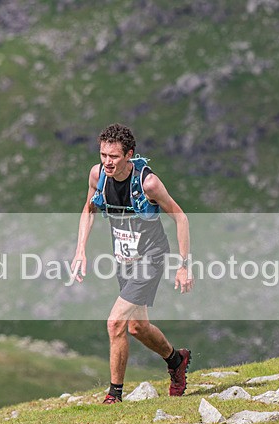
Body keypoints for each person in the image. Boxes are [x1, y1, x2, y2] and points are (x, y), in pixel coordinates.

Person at [72, 123, 194, 404]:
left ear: (129, 154)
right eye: (103, 155)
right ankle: (177, 360)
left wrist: (184, 265)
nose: (107, 162)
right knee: (137, 327)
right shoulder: (98, 175)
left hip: (151, 258)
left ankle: (114, 395)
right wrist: (80, 251)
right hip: (124, 260)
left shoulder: (147, 183)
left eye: (114, 156)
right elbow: (89, 209)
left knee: (115, 323)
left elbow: (180, 217)